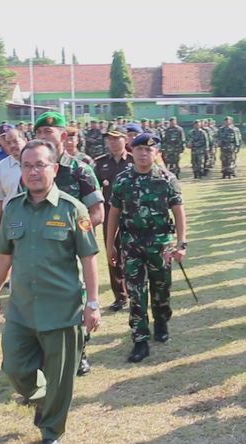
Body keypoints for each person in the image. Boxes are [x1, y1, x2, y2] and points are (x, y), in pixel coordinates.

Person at [0, 139, 100, 444]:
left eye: (40, 165)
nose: (33, 171)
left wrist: (92, 302)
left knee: (60, 378)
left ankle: (51, 432)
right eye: (27, 166)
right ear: (20, 171)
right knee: (15, 367)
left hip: (61, 310)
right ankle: (41, 399)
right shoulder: (13, 208)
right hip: (21, 309)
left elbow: (89, 257)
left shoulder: (72, 209)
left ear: (54, 168)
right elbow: (3, 255)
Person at [106, 133, 187, 363]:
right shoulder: (123, 180)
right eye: (139, 149)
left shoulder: (166, 179)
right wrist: (111, 245)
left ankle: (161, 321)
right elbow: (114, 213)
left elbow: (178, 212)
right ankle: (140, 339)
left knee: (161, 290)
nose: (143, 154)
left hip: (160, 245)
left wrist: (181, 243)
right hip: (131, 245)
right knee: (136, 294)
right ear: (133, 151)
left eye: (148, 150)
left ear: (156, 153)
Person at [34, 112, 104, 227]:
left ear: (63, 136)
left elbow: (97, 214)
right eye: (38, 132)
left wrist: (73, 234)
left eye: (48, 131)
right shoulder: (33, 170)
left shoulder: (80, 170)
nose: (42, 137)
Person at [93, 126, 133, 313]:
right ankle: (120, 295)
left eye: (116, 139)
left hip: (133, 214)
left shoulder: (134, 160)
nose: (113, 142)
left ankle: (135, 292)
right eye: (109, 139)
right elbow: (93, 190)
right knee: (113, 253)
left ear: (125, 140)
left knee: (133, 253)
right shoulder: (100, 164)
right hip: (110, 215)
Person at [0, 128, 27, 235]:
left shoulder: (38, 163)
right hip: (11, 222)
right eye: (8, 143)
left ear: (25, 140)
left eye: (15, 141)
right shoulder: (1, 167)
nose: (12, 146)